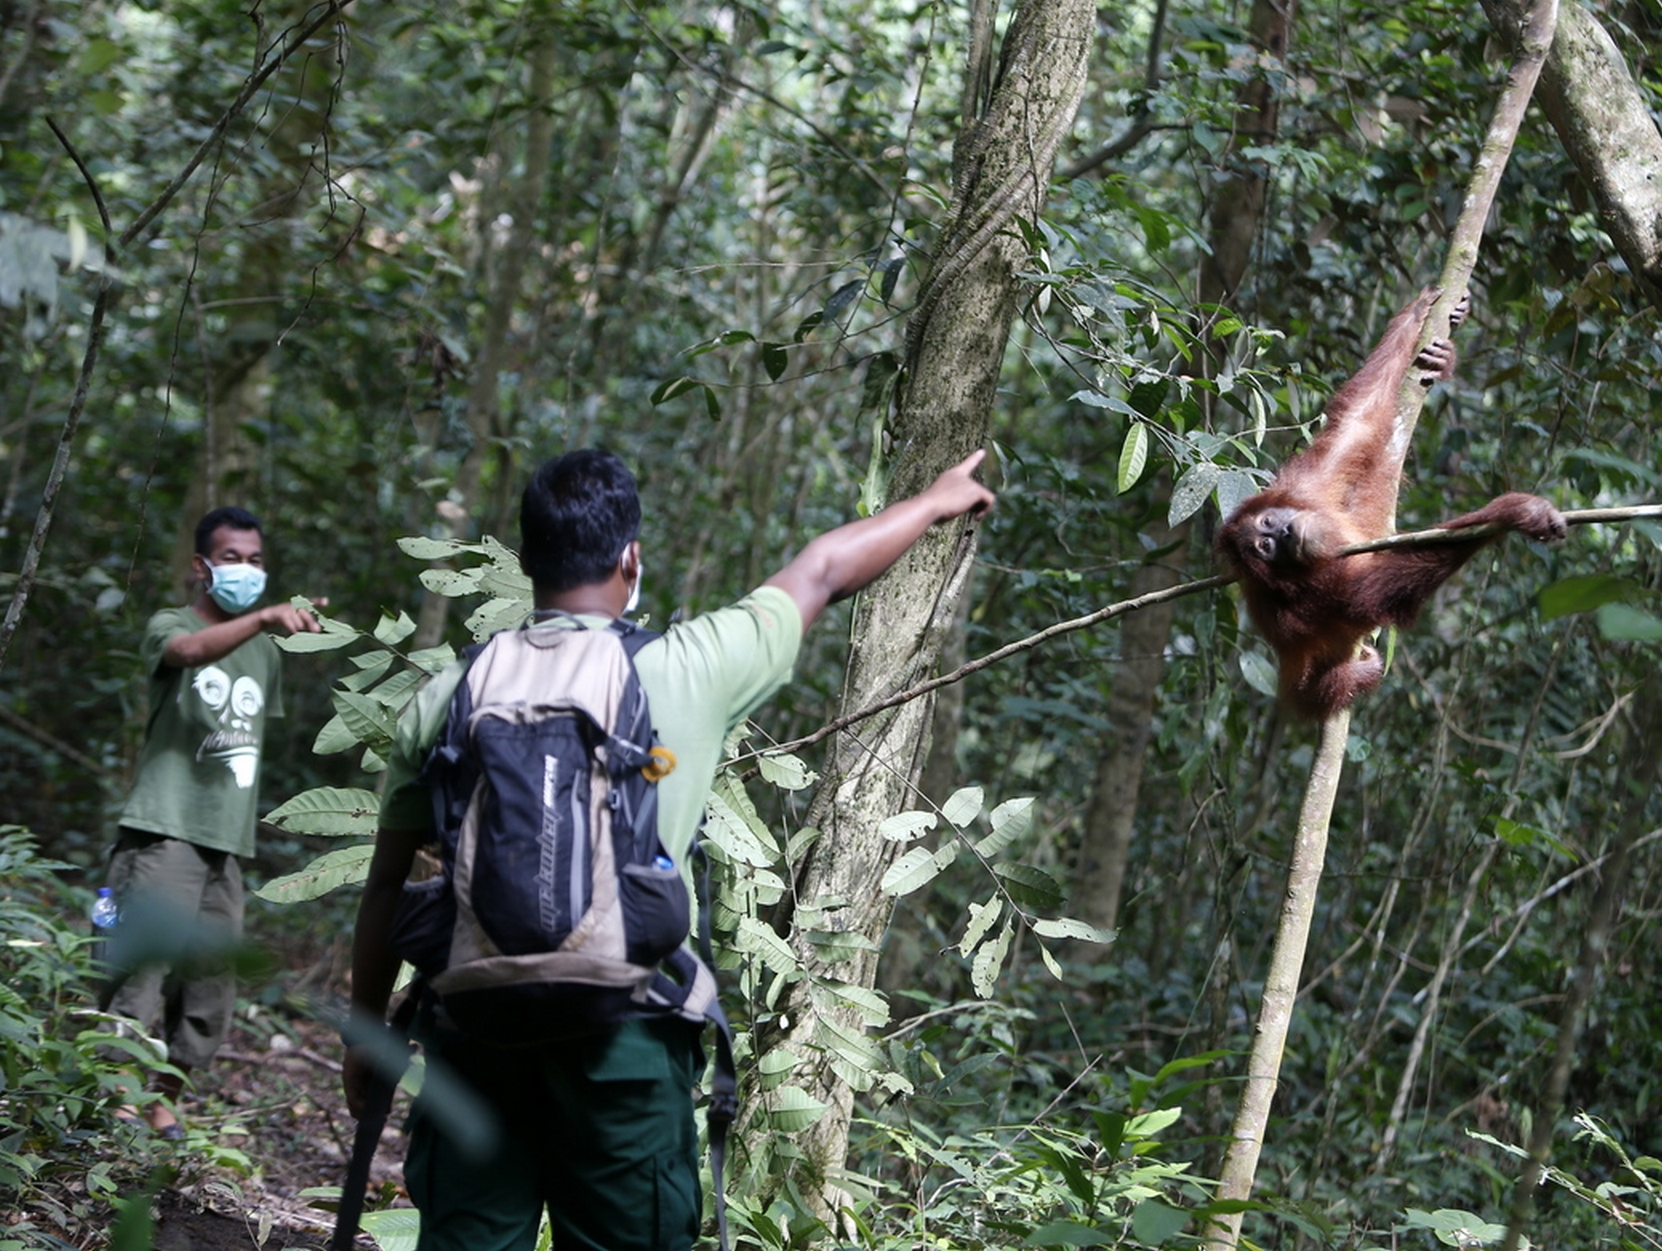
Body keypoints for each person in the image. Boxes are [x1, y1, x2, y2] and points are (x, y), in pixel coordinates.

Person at [343, 447, 994, 1249]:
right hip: (630, 1042)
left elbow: (388, 886)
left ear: (529, 560)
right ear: (631, 558)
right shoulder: (687, 667)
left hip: (476, 1037)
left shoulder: (447, 694)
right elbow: (823, 570)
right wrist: (934, 500)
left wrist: (365, 1034)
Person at [102, 505, 324, 1137]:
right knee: (140, 971)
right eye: (232, 559)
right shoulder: (170, 624)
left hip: (226, 841)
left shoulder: (264, 655)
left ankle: (164, 1102)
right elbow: (186, 652)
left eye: (255, 561)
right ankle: (113, 1099)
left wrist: (271, 628)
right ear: (202, 566)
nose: (246, 570)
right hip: (164, 827)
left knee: (209, 988)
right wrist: (264, 617)